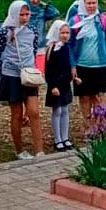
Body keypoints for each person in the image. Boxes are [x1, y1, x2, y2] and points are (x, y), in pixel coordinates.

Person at [0, 1, 45, 160]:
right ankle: (19, 149)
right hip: (11, 75)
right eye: (21, 14)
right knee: (17, 113)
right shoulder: (5, 31)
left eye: (27, 14)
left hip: (28, 74)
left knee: (34, 112)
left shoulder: (32, 30)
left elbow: (33, 50)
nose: (24, 17)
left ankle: (39, 149)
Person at [69, 0, 106, 124]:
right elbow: (69, 44)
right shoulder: (75, 21)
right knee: (84, 97)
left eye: (93, 3)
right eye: (88, 3)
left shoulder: (103, 20)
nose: (91, 6)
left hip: (101, 65)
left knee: (98, 96)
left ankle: (98, 125)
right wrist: (72, 65)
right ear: (82, 4)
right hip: (82, 65)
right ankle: (87, 126)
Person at [44, 20, 78, 151]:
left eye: (67, 33)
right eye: (62, 32)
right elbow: (49, 71)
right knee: (57, 110)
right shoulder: (52, 49)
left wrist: (73, 77)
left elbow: (67, 66)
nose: (65, 35)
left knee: (65, 110)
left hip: (65, 85)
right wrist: (52, 86)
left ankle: (65, 137)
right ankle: (57, 139)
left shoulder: (65, 47)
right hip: (55, 86)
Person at [22, 0, 60, 69]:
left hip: (40, 47)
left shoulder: (42, 12)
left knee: (39, 72)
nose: (35, 0)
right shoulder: (24, 13)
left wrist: (44, 5)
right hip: (26, 47)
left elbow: (55, 13)